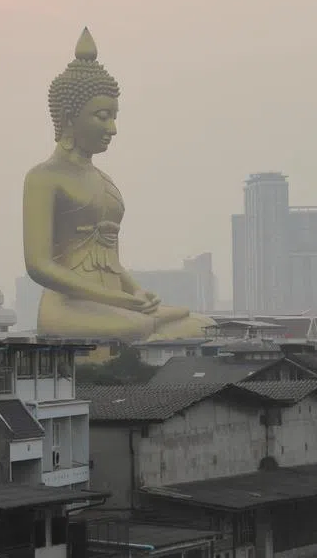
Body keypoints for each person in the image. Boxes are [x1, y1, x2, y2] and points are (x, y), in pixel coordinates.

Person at [22, 28, 215, 341]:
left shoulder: (104, 181)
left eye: (114, 116)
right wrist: (116, 299)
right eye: (102, 116)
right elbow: (39, 265)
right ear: (69, 117)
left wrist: (136, 292)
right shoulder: (43, 177)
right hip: (69, 306)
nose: (112, 128)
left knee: (205, 325)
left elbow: (111, 261)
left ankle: (145, 327)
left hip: (117, 305)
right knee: (137, 328)